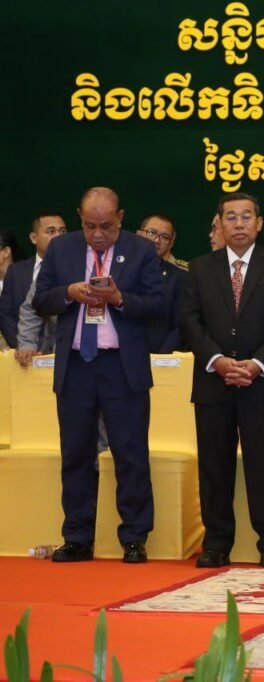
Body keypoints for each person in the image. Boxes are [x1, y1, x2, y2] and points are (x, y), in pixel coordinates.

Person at [33, 187, 164, 564]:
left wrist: (119, 299)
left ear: (120, 218)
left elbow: (159, 304)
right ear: (80, 217)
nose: (98, 234)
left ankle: (134, 537)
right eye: (90, 226)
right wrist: (69, 293)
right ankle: (77, 536)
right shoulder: (61, 249)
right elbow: (40, 299)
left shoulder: (141, 250)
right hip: (76, 365)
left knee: (130, 453)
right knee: (76, 452)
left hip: (121, 366)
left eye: (106, 226)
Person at [179, 192, 264, 569]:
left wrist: (258, 364)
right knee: (214, 465)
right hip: (213, 382)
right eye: (231, 217)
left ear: (259, 224)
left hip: (262, 382)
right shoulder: (199, 268)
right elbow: (190, 321)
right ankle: (216, 543)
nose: (239, 223)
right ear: (219, 224)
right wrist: (217, 361)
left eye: (247, 216)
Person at [0, 211, 65, 349]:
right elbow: (5, 314)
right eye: (51, 231)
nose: (58, 236)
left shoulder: (73, 268)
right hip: (24, 352)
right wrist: (23, 346)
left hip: (62, 350)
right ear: (34, 238)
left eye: (62, 231)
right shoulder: (16, 271)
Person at [137, 214, 186, 353]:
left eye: (164, 237)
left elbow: (180, 326)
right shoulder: (120, 269)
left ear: (171, 244)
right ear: (138, 234)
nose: (157, 240)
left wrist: (161, 358)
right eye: (151, 233)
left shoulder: (179, 277)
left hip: (159, 356)